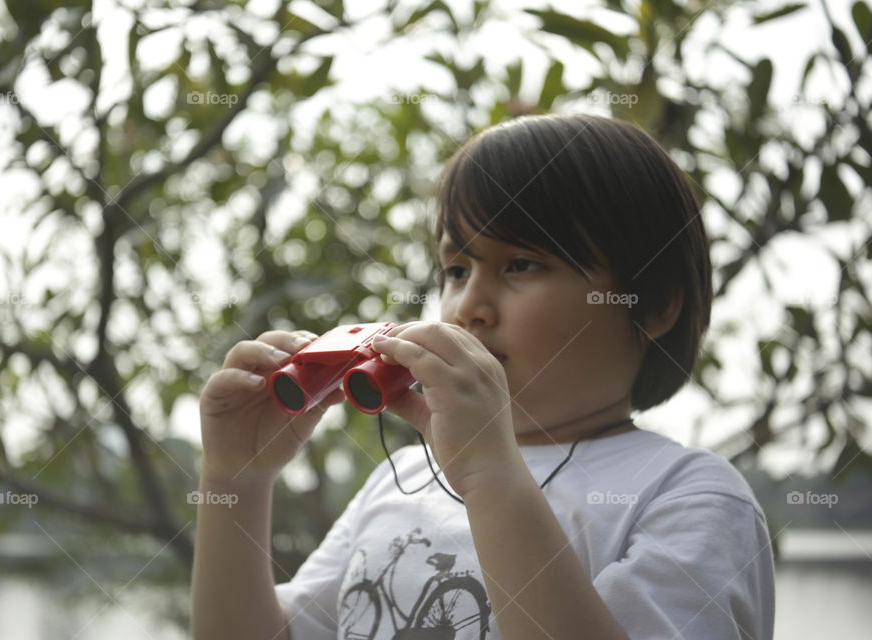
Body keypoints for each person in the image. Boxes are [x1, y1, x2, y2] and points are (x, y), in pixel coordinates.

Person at [190, 114, 775, 640]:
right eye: (455, 268)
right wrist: (237, 482)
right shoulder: (404, 480)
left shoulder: (689, 497)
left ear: (652, 306)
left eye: (521, 264)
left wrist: (491, 475)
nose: (470, 306)